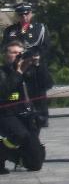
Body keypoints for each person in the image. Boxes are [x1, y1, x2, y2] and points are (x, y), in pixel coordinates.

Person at [0, 37, 45, 173]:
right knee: (20, 135)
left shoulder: (29, 70)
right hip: (6, 114)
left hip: (26, 115)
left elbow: (47, 83)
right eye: (13, 53)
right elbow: (4, 93)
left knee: (35, 164)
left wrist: (38, 66)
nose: (17, 56)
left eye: (20, 53)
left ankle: (16, 157)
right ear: (5, 55)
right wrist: (18, 72)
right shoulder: (2, 72)